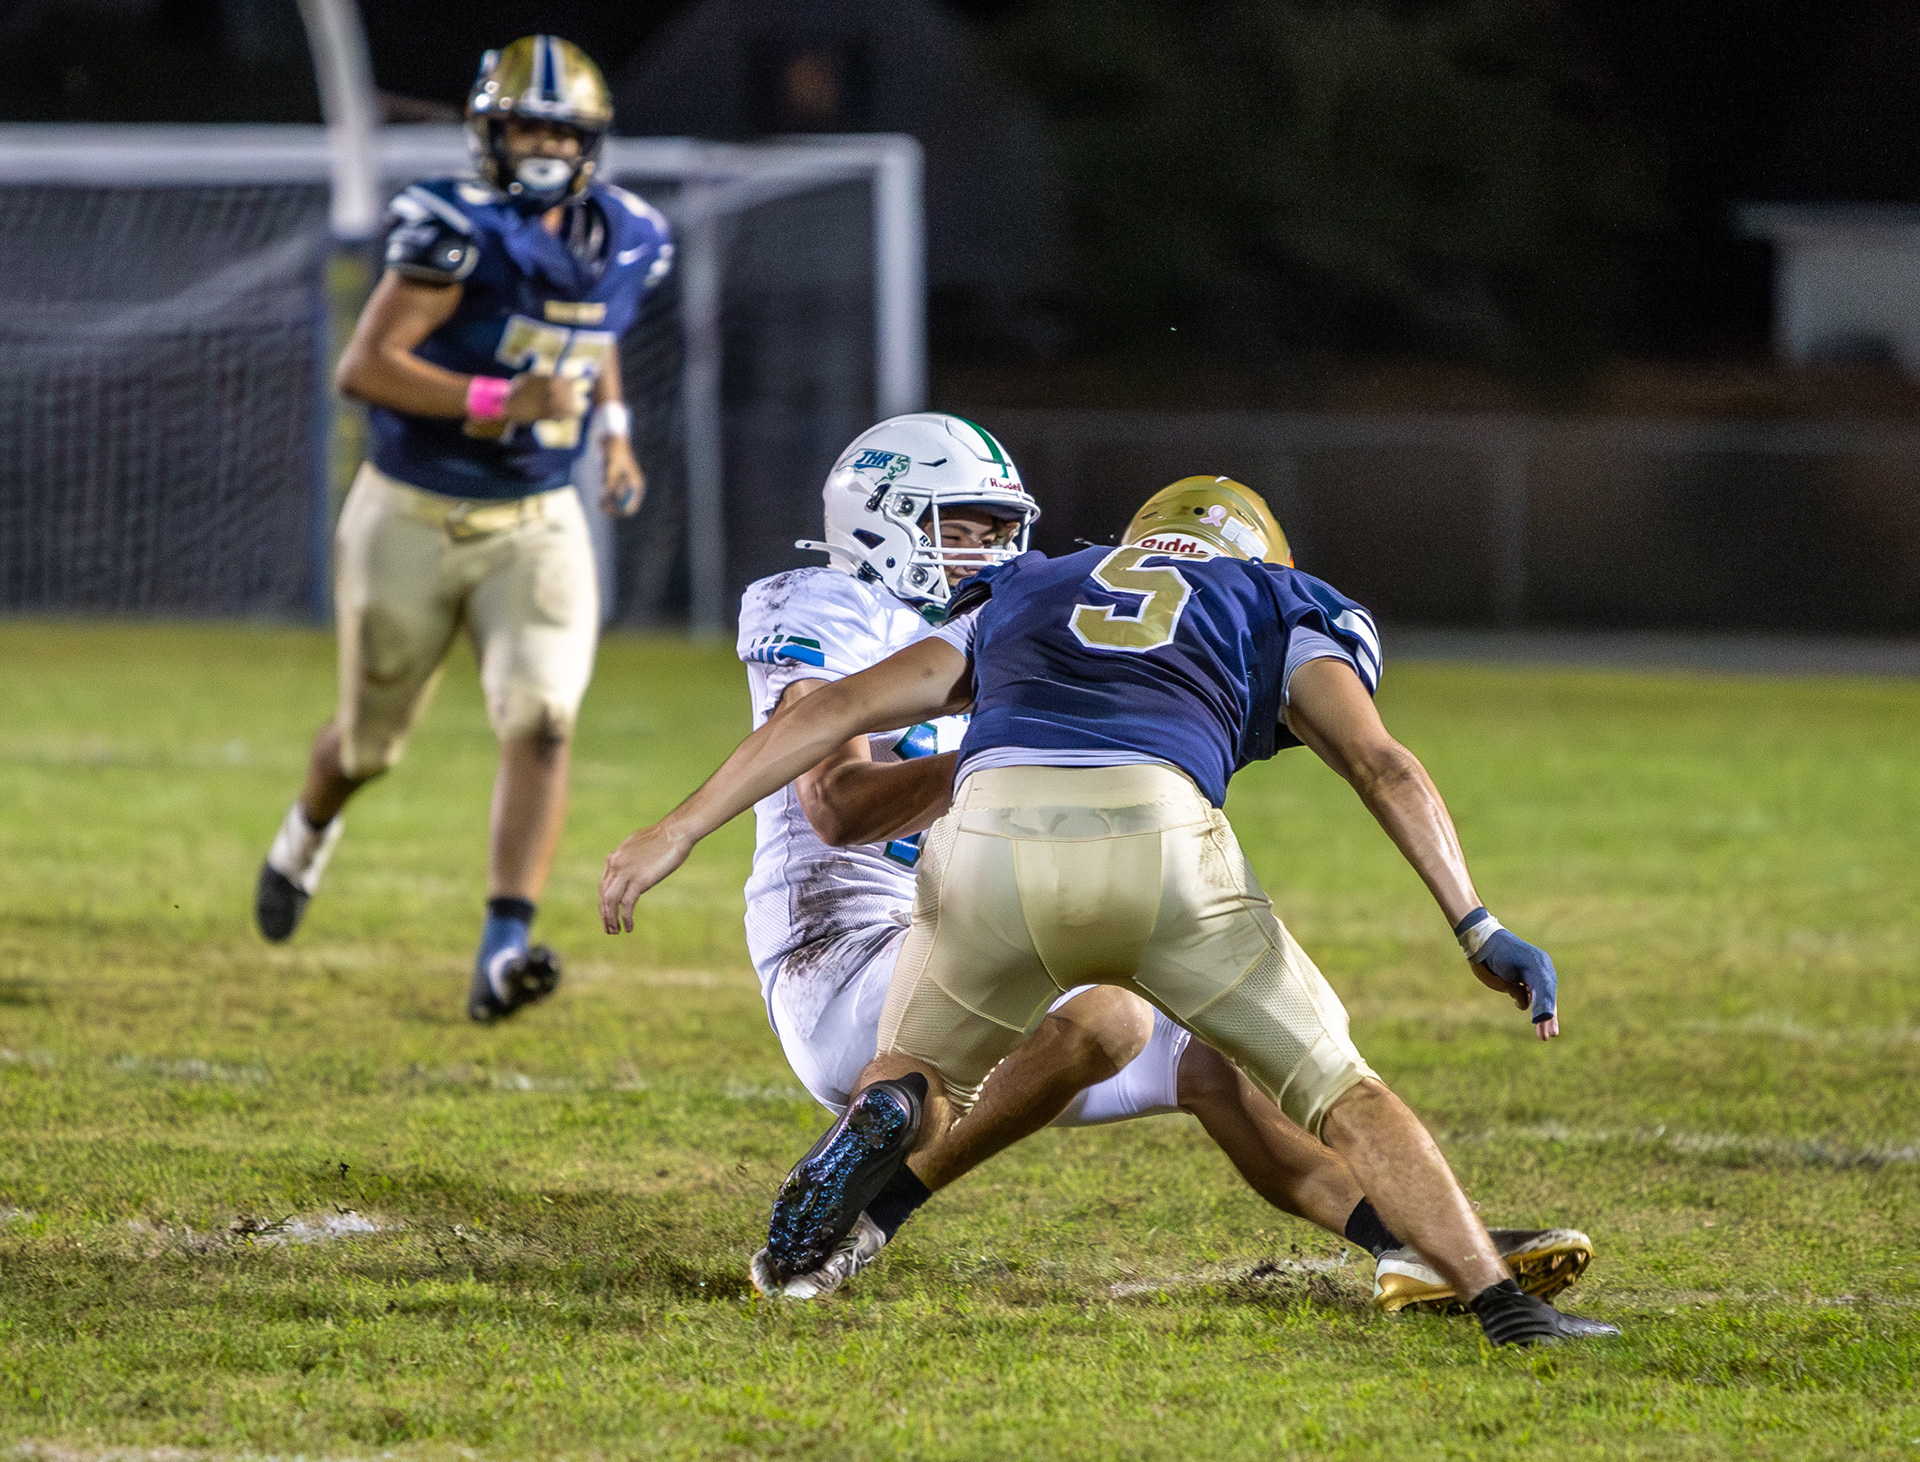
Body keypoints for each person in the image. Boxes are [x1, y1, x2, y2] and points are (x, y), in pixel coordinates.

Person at [607, 470, 1613, 1346]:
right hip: (1157, 839)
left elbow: (837, 709)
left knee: (925, 1078)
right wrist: (1477, 924)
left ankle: (886, 1140)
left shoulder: (1029, 582)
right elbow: (1382, 765)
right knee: (1341, 1089)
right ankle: (1498, 1302)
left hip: (986, 843)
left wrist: (677, 829)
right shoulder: (1279, 596)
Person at [254, 36, 672, 1023]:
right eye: (524, 127)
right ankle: (304, 837)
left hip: (538, 518)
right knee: (368, 746)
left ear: (589, 142)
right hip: (412, 510)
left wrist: (614, 432)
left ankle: (502, 948)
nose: (542, 147)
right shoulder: (455, 228)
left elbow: (594, 329)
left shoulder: (632, 234)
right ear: (489, 135)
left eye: (559, 132)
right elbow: (364, 367)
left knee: (543, 719)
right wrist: (498, 398)